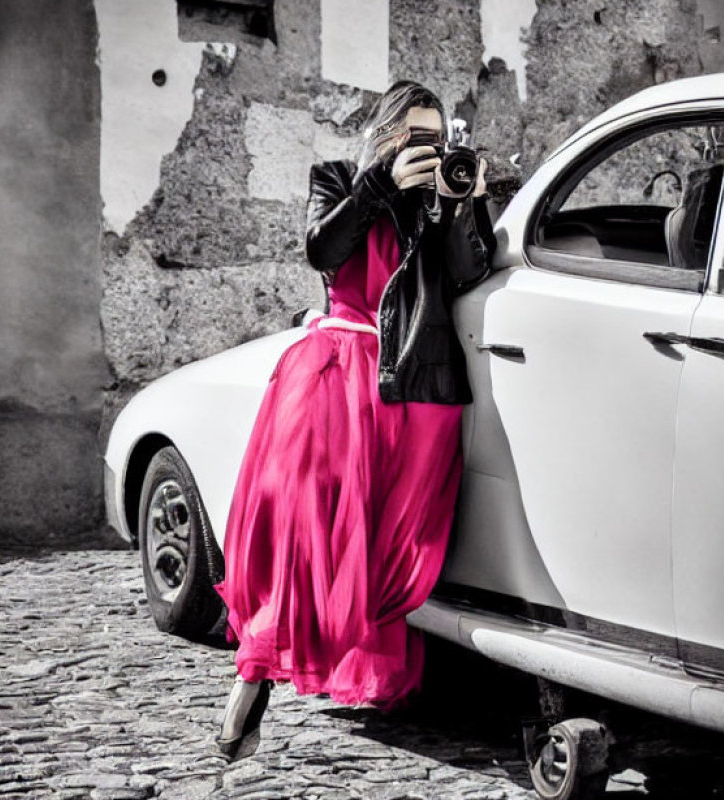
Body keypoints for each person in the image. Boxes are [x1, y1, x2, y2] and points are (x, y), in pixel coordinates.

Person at [213, 80, 496, 761]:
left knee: (388, 547)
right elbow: (322, 249)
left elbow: (464, 274)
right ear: (386, 131)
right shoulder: (339, 177)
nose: (423, 149)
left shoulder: (444, 195)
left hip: (415, 384)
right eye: (412, 134)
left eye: (435, 138)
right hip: (335, 374)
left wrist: (464, 205)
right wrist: (378, 184)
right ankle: (254, 679)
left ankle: (353, 663)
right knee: (303, 535)